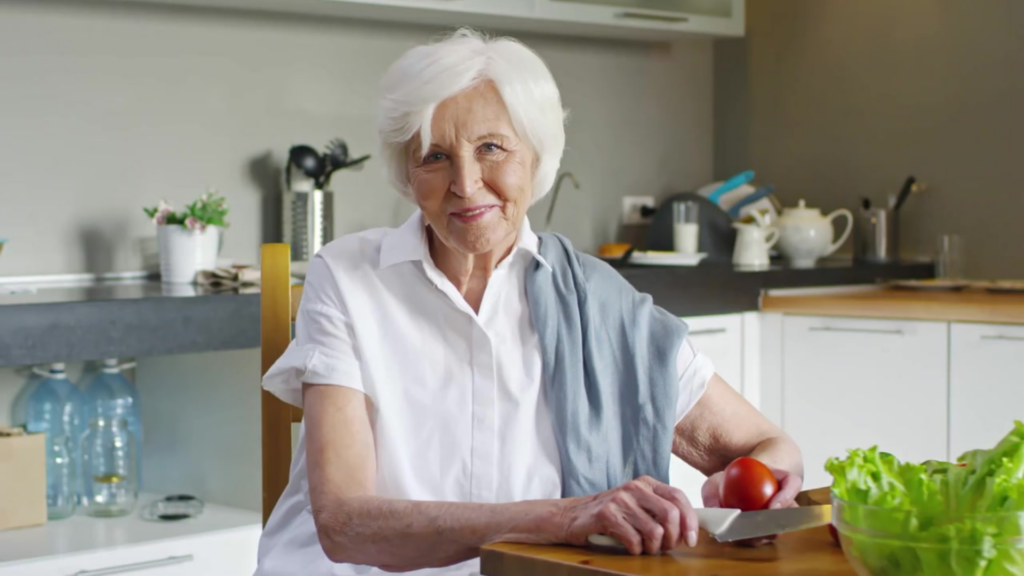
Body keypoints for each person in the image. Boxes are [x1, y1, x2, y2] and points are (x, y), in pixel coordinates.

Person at [257, 28, 803, 576]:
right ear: (407, 172)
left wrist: (763, 485)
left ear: (536, 154)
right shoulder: (347, 277)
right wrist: (559, 519)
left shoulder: (597, 303)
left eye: (491, 148)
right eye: (435, 156)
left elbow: (765, 446)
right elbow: (344, 524)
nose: (466, 184)